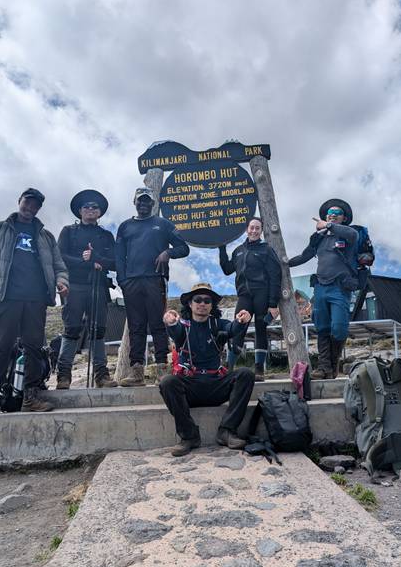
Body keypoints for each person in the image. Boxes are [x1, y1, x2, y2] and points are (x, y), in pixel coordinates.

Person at [0, 188, 69, 416]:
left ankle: (31, 397)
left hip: (36, 300)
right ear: (19, 202)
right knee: (0, 346)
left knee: (34, 348)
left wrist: (62, 282)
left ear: (38, 209)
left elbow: (59, 265)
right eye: (27, 203)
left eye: (35, 206)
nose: (30, 208)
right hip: (6, 297)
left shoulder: (46, 236)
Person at [159, 283, 255, 457]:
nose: (202, 303)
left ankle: (227, 431)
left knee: (246, 374)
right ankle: (189, 436)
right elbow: (176, 331)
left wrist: (242, 320)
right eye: (198, 299)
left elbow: (232, 328)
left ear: (212, 305)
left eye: (207, 300)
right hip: (191, 387)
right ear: (190, 303)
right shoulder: (184, 325)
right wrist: (171, 323)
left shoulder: (217, 323)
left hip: (215, 385)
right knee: (167, 382)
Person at [115, 186, 190, 386]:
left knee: (158, 324)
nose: (143, 204)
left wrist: (168, 253)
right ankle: (136, 372)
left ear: (153, 203)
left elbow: (184, 248)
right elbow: (119, 257)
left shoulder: (163, 224)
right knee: (136, 327)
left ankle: (161, 370)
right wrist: (123, 281)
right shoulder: (124, 227)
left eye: (147, 201)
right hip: (131, 282)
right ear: (134, 201)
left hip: (155, 280)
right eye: (140, 200)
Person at [288, 198, 358, 379]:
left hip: (340, 288)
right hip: (320, 286)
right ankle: (324, 367)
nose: (333, 216)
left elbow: (352, 234)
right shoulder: (318, 239)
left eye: (337, 214)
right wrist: (284, 263)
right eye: (330, 213)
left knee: (339, 327)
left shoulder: (349, 234)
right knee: (322, 327)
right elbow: (304, 256)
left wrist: (327, 224)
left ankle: (333, 365)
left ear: (344, 218)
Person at [56, 190, 117, 389]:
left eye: (95, 207)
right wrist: (85, 262)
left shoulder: (106, 236)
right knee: (71, 328)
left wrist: (96, 258)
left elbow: (115, 262)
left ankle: (102, 376)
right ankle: (63, 376)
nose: (91, 210)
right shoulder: (68, 231)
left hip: (98, 286)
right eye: (86, 207)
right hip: (74, 286)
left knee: (98, 330)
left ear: (99, 212)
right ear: (80, 211)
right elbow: (60, 256)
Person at [219, 217, 281, 381]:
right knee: (238, 329)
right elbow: (227, 269)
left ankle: (259, 370)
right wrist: (221, 248)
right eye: (251, 228)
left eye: (257, 228)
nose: (254, 231)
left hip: (262, 294)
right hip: (244, 296)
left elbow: (276, 276)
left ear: (261, 231)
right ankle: (228, 368)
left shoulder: (266, 249)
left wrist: (273, 303)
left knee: (261, 330)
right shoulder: (238, 250)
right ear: (246, 229)